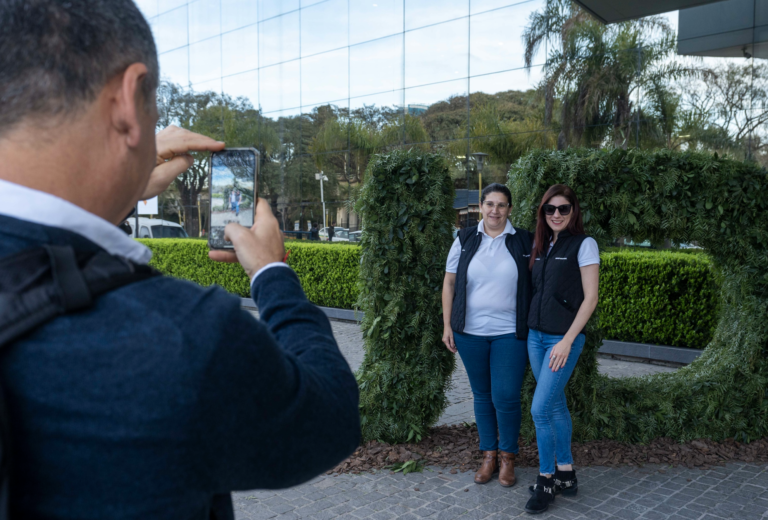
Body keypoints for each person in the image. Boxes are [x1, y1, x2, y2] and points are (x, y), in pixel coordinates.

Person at [0, 1, 360, 518]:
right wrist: (272, 273)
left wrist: (119, 185)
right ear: (127, 100)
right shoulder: (185, 335)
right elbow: (329, 416)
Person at [441, 183, 533, 487]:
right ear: (481, 207)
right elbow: (449, 283)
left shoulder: (524, 240)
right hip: (470, 333)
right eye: (490, 204)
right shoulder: (464, 239)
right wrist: (447, 326)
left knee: (505, 395)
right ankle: (489, 455)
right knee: (481, 395)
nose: (495, 210)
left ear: (509, 209)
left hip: (510, 333)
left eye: (501, 205)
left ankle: (508, 457)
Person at [523, 184, 600, 515]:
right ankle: (566, 473)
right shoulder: (542, 245)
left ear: (573, 211)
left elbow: (591, 298)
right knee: (554, 406)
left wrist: (568, 340)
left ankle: (546, 480)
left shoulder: (584, 244)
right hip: (535, 337)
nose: (556, 214)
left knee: (539, 410)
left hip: (561, 340)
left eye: (563, 208)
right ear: (543, 212)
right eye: (549, 209)